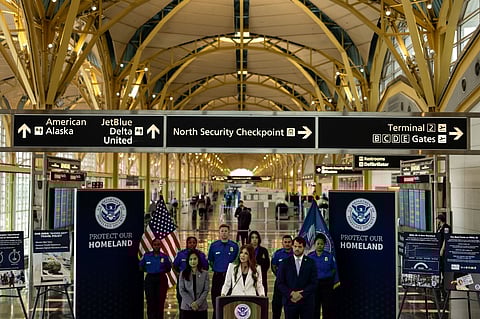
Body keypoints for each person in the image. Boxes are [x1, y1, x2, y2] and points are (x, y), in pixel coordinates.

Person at [277, 237, 317, 319]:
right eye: (295, 246)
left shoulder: (311, 262)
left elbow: (314, 283)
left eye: (299, 247)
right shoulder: (285, 263)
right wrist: (291, 294)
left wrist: (301, 294)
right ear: (292, 246)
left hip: (306, 302)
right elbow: (280, 283)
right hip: (290, 301)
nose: (297, 249)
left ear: (304, 247)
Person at [208, 224, 239, 319]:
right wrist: (217, 268)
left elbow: (236, 261)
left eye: (226, 231)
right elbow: (211, 261)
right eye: (222, 231)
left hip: (230, 277)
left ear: (229, 232)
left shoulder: (234, 246)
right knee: (216, 299)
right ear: (219, 232)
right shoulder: (214, 246)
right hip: (217, 276)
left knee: (229, 300)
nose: (224, 233)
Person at [173, 236, 209, 318]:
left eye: (194, 242)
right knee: (182, 305)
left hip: (198, 279)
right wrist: (180, 275)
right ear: (187, 243)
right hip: (184, 281)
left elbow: (206, 266)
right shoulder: (181, 254)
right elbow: (174, 266)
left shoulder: (201, 254)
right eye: (190, 242)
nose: (192, 244)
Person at [139, 237, 172, 319]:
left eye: (158, 244)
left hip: (161, 279)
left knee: (160, 302)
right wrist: (149, 270)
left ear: (160, 246)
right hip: (150, 279)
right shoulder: (146, 256)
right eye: (155, 245)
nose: (156, 246)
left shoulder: (164, 257)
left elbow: (168, 268)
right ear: (152, 245)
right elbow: (141, 267)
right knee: (150, 301)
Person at [307, 233, 338, 319]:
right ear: (314, 244)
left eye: (322, 244)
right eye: (318, 244)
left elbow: (334, 269)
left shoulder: (329, 256)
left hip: (326, 284)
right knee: (314, 306)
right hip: (314, 284)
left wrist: (327, 276)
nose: (320, 246)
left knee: (327, 307)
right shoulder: (310, 257)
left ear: (324, 245)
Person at [179, 250, 209, 319]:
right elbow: (181, 290)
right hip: (187, 307)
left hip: (201, 307)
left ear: (198, 260)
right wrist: (191, 303)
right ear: (188, 261)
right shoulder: (183, 273)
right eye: (191, 259)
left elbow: (206, 290)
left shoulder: (205, 274)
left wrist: (197, 303)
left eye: (195, 259)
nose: (193, 261)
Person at [271, 235, 293, 319]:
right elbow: (273, 266)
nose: (287, 244)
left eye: (289, 242)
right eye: (285, 242)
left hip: (291, 285)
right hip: (279, 284)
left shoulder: (295, 253)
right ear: (282, 243)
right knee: (276, 306)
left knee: (290, 309)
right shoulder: (277, 254)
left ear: (292, 243)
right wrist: (280, 276)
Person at [437, 213, 451, 299]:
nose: (437, 221)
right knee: (440, 265)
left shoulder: (446, 228)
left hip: (443, 251)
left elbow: (446, 239)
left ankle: (445, 283)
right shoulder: (439, 227)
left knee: (443, 265)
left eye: (438, 219)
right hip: (438, 249)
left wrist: (442, 249)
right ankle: (440, 281)